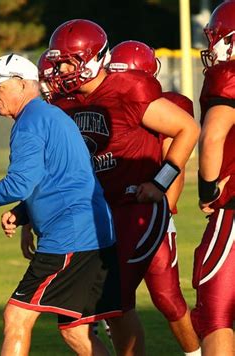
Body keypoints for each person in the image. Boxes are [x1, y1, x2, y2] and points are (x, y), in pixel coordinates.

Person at [46, 19, 200, 355]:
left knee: (125, 299)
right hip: (98, 214)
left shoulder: (128, 89)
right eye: (58, 63)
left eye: (68, 62)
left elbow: (187, 128)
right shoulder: (65, 102)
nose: (61, 70)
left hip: (136, 209)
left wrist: (160, 184)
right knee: (113, 308)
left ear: (93, 58)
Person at [0, 53, 122, 356]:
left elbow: (18, 184)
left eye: (0, 86)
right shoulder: (50, 115)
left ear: (23, 85)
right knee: (76, 332)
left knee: (16, 316)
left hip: (71, 236)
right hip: (94, 232)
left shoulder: (29, 123)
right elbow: (61, 175)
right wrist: (24, 213)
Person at [107, 40, 201, 356]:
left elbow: (175, 161)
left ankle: (196, 353)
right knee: (113, 299)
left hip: (150, 215)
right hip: (111, 215)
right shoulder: (103, 105)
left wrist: (164, 206)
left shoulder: (164, 106)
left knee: (167, 298)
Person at [192, 1, 235, 354]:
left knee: (215, 313)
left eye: (218, 37)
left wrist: (208, 189)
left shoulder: (228, 74)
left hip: (233, 209)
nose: (212, 46)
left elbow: (213, 135)